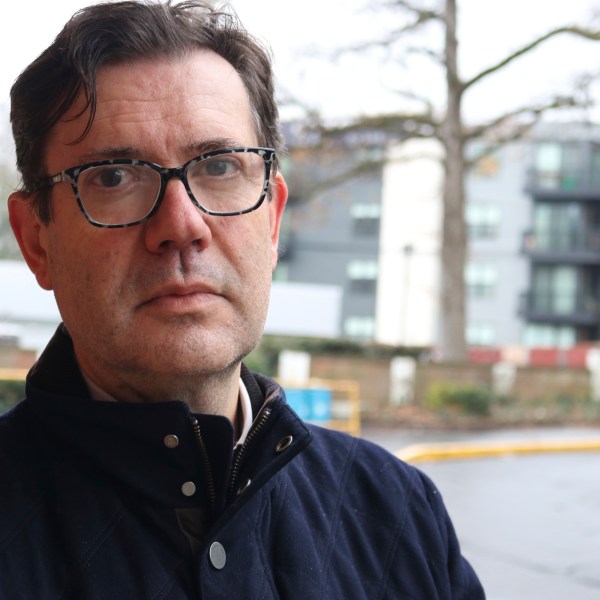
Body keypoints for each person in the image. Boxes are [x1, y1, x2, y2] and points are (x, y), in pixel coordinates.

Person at [1, 1, 485, 598]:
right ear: (36, 240)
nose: (181, 225)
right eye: (114, 177)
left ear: (274, 219)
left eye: (221, 166)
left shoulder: (398, 515)